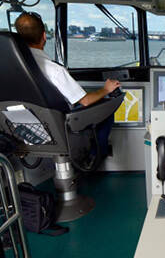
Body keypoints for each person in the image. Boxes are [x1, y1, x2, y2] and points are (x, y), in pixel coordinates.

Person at [14, 12, 120, 158]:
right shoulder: (54, 70)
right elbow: (85, 100)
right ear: (44, 36)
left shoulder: (12, 65)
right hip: (55, 127)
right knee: (105, 109)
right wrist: (106, 89)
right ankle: (94, 157)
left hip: (23, 126)